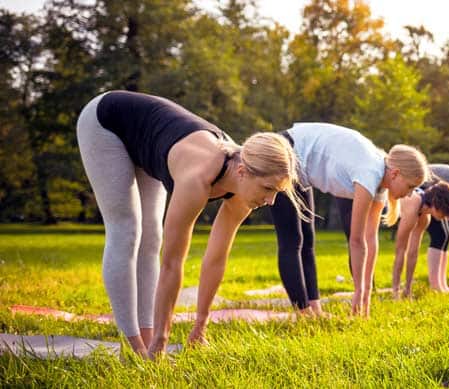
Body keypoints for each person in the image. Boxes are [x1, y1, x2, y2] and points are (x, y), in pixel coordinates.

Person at [76, 91, 304, 358]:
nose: (271, 200)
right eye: (268, 188)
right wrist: (163, 339)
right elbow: (172, 263)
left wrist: (200, 326)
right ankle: (136, 348)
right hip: (107, 121)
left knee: (152, 238)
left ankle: (147, 342)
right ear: (242, 172)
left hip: (146, 138)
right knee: (127, 230)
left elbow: (216, 259)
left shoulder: (243, 191)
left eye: (277, 191)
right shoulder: (196, 179)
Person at [271, 123, 428, 318]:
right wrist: (358, 290)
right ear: (395, 174)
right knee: (293, 240)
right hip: (283, 152)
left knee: (308, 241)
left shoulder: (380, 183)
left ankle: (315, 310)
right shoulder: (369, 174)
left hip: (300, 166)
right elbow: (356, 240)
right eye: (410, 186)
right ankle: (304, 314)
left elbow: (370, 240)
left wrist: (366, 291)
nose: (410, 194)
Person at [390, 181, 449, 298]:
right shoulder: (413, 207)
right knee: (401, 250)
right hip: (381, 201)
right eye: (445, 212)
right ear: (437, 204)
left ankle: (407, 290)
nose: (445, 217)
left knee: (413, 252)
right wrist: (396, 292)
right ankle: (394, 291)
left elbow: (413, 253)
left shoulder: (425, 217)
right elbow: (400, 250)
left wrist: (408, 289)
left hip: (412, 207)